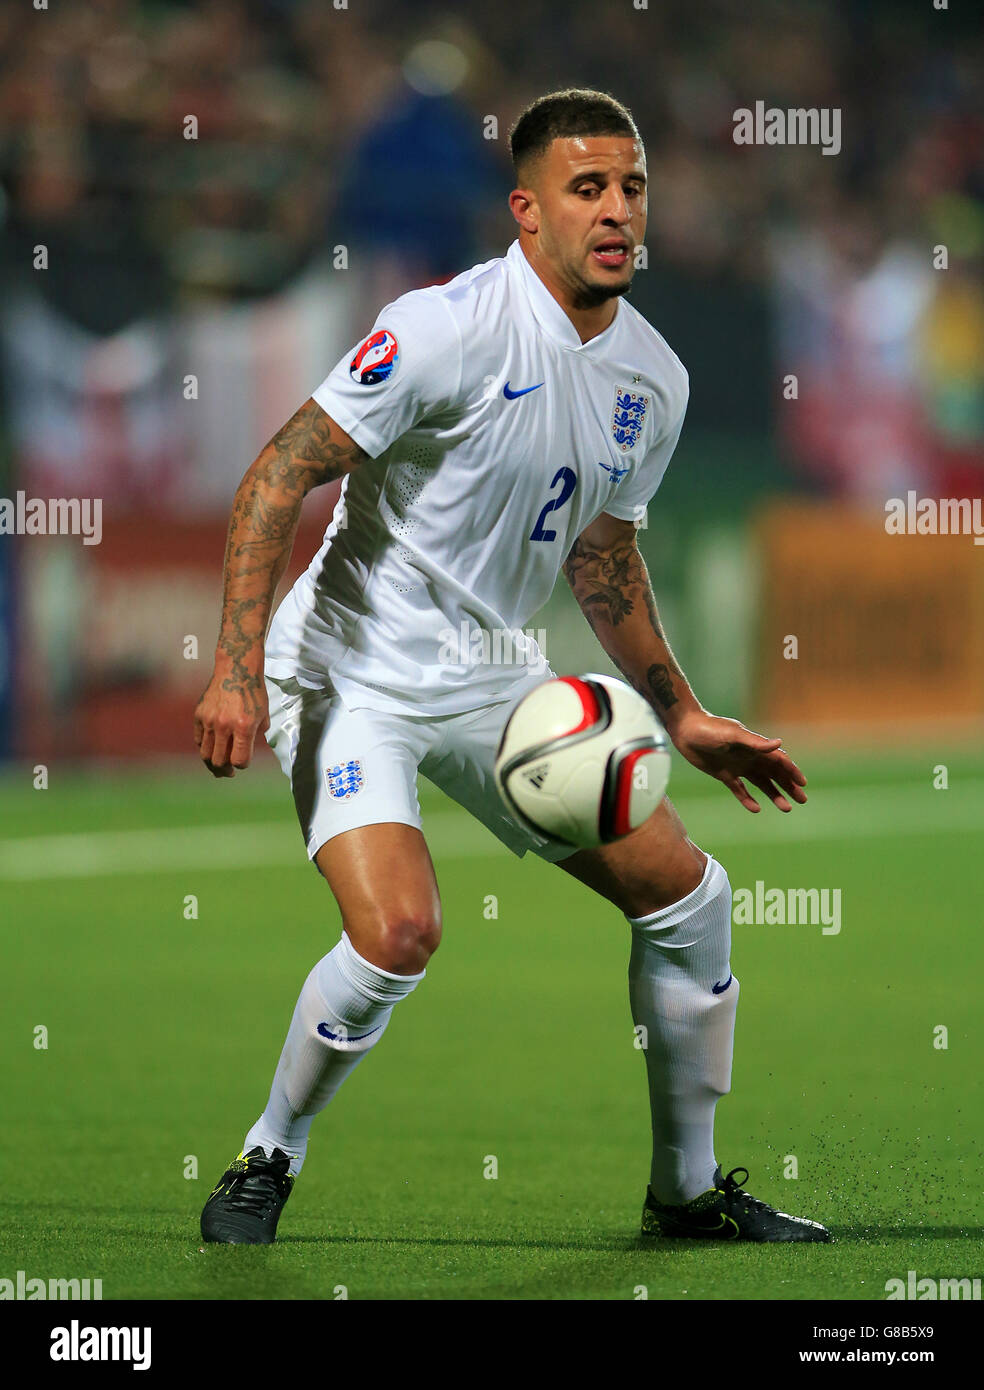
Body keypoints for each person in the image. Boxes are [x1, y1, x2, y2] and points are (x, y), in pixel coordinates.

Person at [193, 88, 828, 1246]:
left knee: (690, 894)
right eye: (588, 189)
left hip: (490, 676)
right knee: (399, 934)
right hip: (351, 668)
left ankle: (685, 1193)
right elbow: (280, 473)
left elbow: (603, 554)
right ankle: (266, 1153)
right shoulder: (444, 328)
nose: (618, 211)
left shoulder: (656, 380)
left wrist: (678, 713)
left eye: (632, 187)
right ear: (526, 212)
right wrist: (236, 669)